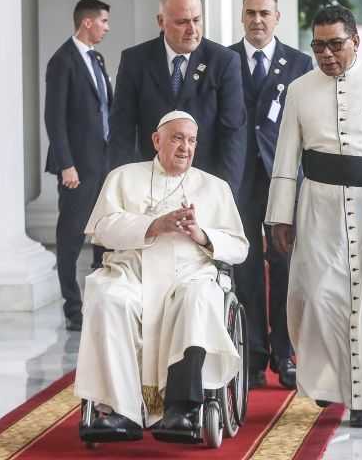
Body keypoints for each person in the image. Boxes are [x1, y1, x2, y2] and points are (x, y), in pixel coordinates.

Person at [74, 111, 248, 439]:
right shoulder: (123, 177)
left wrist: (201, 234)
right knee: (108, 297)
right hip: (132, 272)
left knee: (197, 298)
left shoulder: (215, 187)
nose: (186, 147)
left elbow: (239, 247)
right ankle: (119, 410)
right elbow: (103, 228)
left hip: (189, 274)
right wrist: (154, 225)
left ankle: (180, 409)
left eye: (192, 140)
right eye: (177, 138)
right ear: (157, 140)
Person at [265, 5, 362, 429]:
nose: (326, 54)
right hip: (316, 206)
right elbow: (286, 157)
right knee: (318, 297)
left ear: (355, 41)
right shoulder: (300, 89)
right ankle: (326, 382)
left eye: (335, 44)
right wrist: (278, 218)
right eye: (318, 45)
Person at [229, 0, 313, 390]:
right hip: (240, 181)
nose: (257, 20)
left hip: (283, 179)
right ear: (242, 17)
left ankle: (285, 352)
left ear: (277, 17)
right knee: (244, 268)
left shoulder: (299, 62)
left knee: (283, 267)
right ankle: (253, 355)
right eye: (250, 13)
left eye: (264, 13)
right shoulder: (224, 60)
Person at [108, 0, 247, 196]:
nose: (192, 30)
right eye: (182, 22)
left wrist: (225, 195)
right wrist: (123, 190)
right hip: (148, 186)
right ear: (161, 22)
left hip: (206, 186)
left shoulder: (224, 61)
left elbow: (233, 135)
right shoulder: (135, 61)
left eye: (197, 20)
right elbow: (122, 132)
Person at [44, 0, 113, 332]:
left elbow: (104, 110)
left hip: (102, 164)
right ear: (87, 22)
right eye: (103, 21)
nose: (106, 27)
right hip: (76, 168)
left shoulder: (96, 58)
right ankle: (73, 308)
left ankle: (100, 302)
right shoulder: (62, 61)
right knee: (71, 238)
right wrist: (66, 164)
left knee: (103, 234)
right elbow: (53, 119)